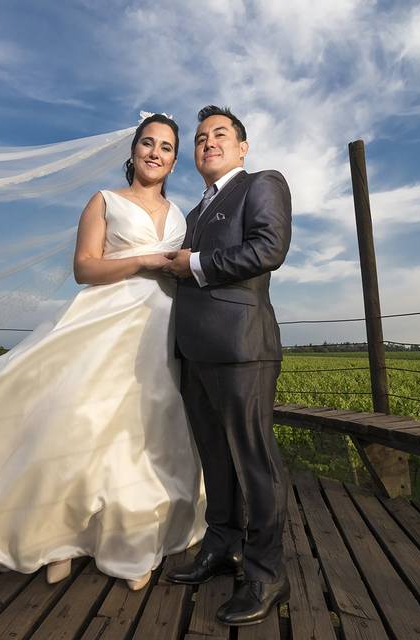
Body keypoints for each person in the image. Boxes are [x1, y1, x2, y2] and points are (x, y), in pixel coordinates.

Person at [0, 113, 206, 592]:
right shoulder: (104, 200)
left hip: (162, 325)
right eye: (148, 143)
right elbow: (84, 267)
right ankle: (56, 540)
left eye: (166, 148)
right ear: (132, 151)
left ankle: (132, 541)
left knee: (148, 427)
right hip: (106, 319)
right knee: (77, 417)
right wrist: (144, 259)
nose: (155, 153)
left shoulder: (183, 215)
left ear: (173, 160)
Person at [163, 105, 292, 626]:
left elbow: (268, 248)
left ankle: (265, 572)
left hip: (242, 345)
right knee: (215, 457)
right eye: (199, 138)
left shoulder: (262, 183)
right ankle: (222, 545)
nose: (207, 143)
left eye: (219, 135)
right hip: (194, 350)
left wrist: (191, 264)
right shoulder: (193, 213)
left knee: (254, 461)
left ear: (242, 147)